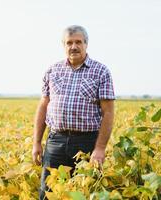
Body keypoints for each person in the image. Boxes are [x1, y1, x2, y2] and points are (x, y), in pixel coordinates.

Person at [32, 25, 115, 199]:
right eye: (69, 43)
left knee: (86, 192)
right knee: (49, 193)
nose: (74, 46)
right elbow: (43, 105)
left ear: (86, 44)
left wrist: (99, 148)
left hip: (87, 143)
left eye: (78, 42)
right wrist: (37, 142)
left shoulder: (101, 71)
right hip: (56, 142)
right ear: (63, 45)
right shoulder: (52, 71)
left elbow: (108, 112)